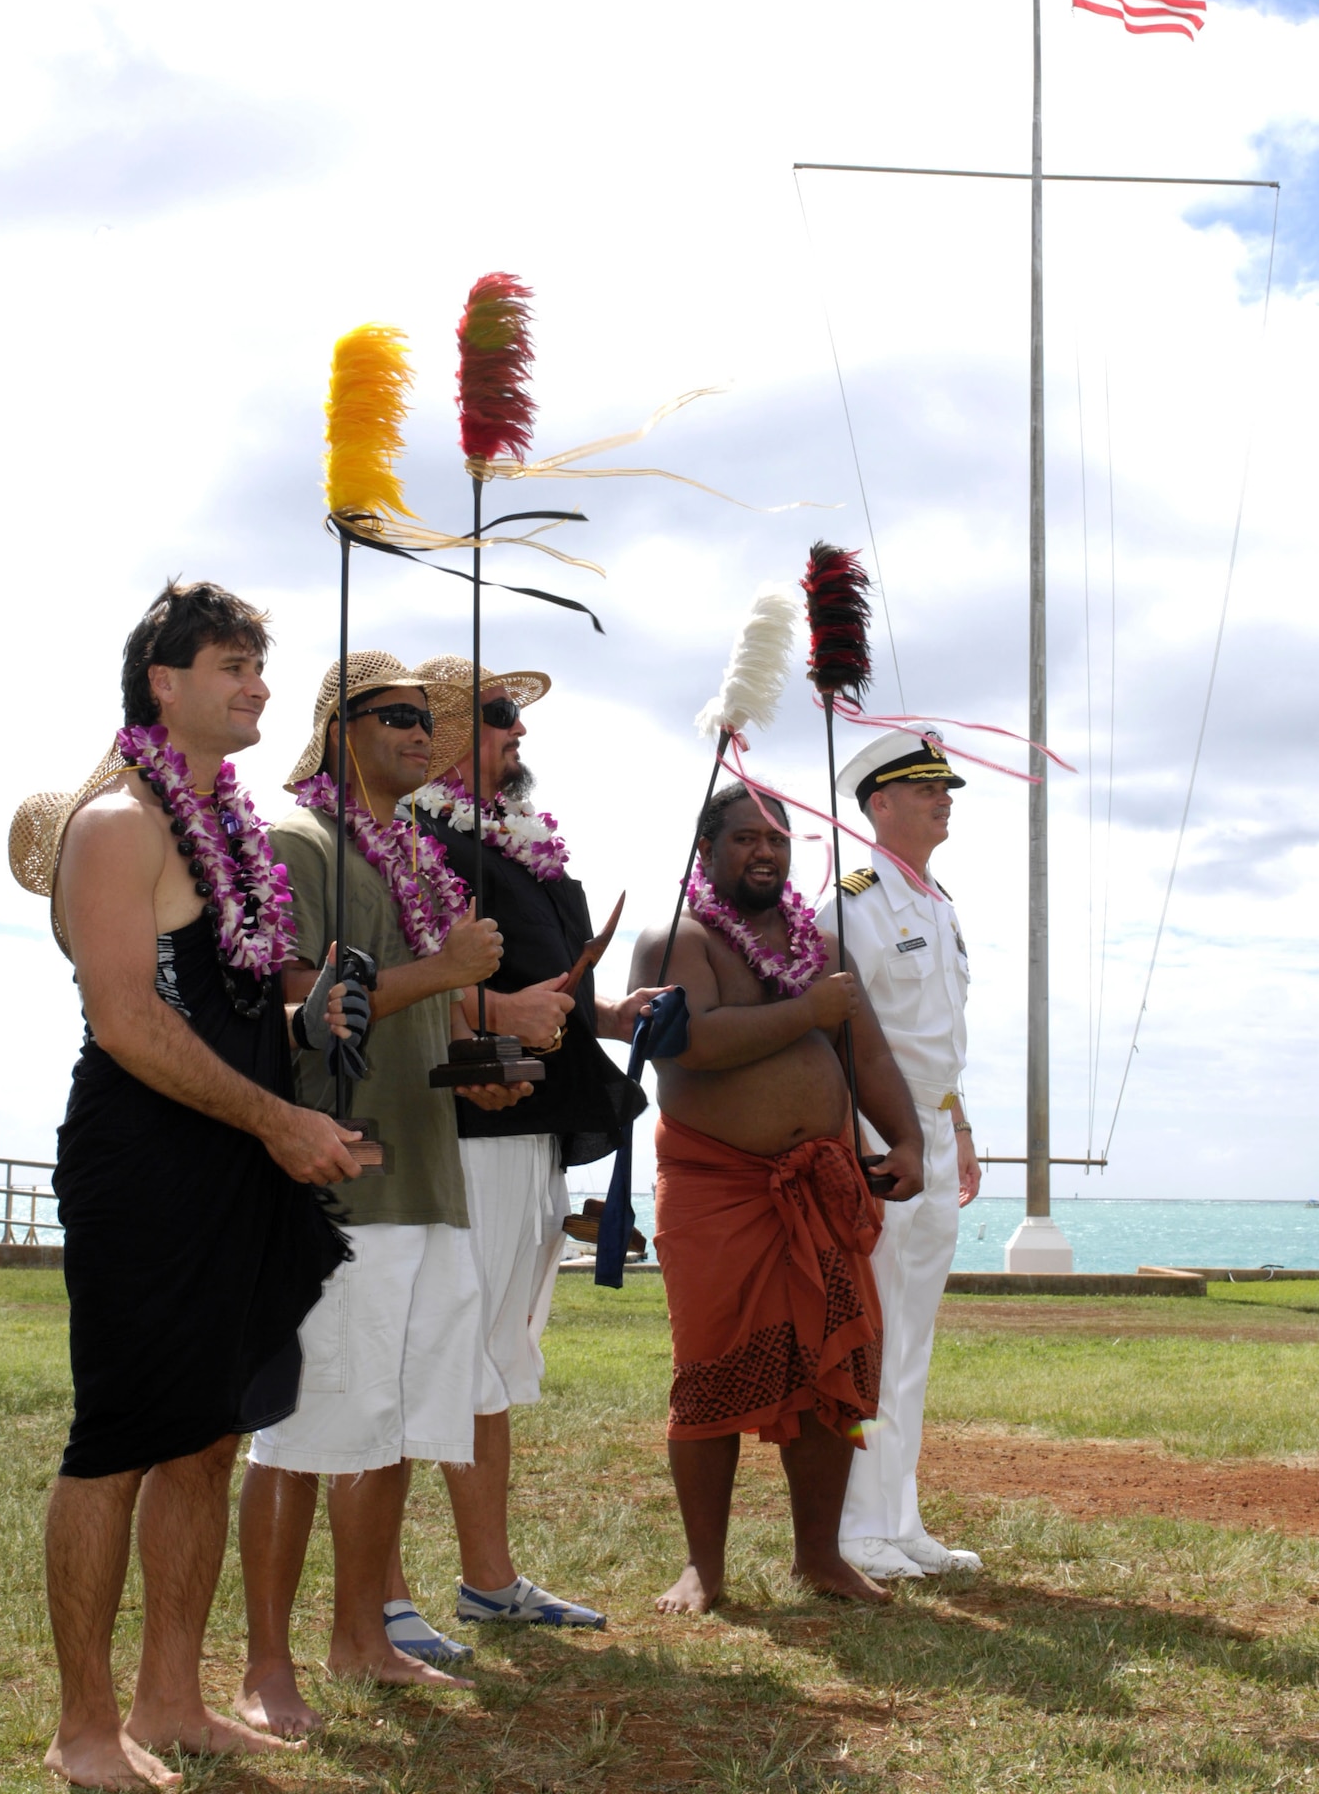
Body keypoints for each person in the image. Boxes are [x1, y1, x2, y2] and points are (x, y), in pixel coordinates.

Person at [7, 580, 362, 1792]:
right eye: (229, 661)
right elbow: (124, 1019)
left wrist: (308, 1019)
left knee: (207, 1437)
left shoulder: (239, 833)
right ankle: (84, 1725)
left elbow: (233, 998)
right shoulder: (117, 823)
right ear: (163, 681)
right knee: (116, 1441)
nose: (257, 681)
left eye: (261, 662)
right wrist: (278, 1120)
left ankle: (171, 1697)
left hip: (239, 1158)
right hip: (146, 1164)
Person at [233, 651, 533, 1734]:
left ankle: (362, 1637)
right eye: (396, 715)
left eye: (429, 718)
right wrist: (446, 968)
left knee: (395, 1424)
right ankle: (266, 1666)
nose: (422, 731)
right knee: (302, 1432)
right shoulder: (295, 841)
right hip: (339, 1182)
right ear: (336, 727)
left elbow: (411, 1014)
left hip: (429, 1172)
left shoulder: (411, 853)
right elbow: (292, 996)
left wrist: (478, 1059)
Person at [398, 656, 658, 1636]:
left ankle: (489, 1579)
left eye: (515, 718)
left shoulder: (514, 843)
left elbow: (539, 985)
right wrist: (498, 1008)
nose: (520, 735)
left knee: (495, 1351)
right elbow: (411, 969)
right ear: (452, 728)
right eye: (502, 716)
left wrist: (608, 1013)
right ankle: (382, 1597)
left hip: (532, 1122)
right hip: (465, 1119)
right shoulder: (411, 835)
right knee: (442, 1350)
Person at [628, 785, 925, 1616]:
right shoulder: (673, 940)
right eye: (746, 838)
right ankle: (704, 1569)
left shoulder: (818, 944)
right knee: (709, 1372)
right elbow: (688, 1042)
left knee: (831, 1366)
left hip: (822, 1185)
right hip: (718, 1189)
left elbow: (862, 1051)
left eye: (779, 839)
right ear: (706, 850)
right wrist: (808, 1010)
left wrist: (906, 1139)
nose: (766, 851)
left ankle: (820, 1557)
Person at [818, 728, 983, 1581]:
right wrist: (863, 1137)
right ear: (879, 803)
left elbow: (935, 1041)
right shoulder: (854, 898)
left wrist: (958, 1124)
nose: (943, 798)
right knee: (871, 1335)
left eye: (945, 788)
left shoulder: (936, 901)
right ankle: (853, 1526)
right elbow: (838, 1032)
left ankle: (898, 1515)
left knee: (911, 1336)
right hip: (881, 1136)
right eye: (926, 789)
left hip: (932, 1130)